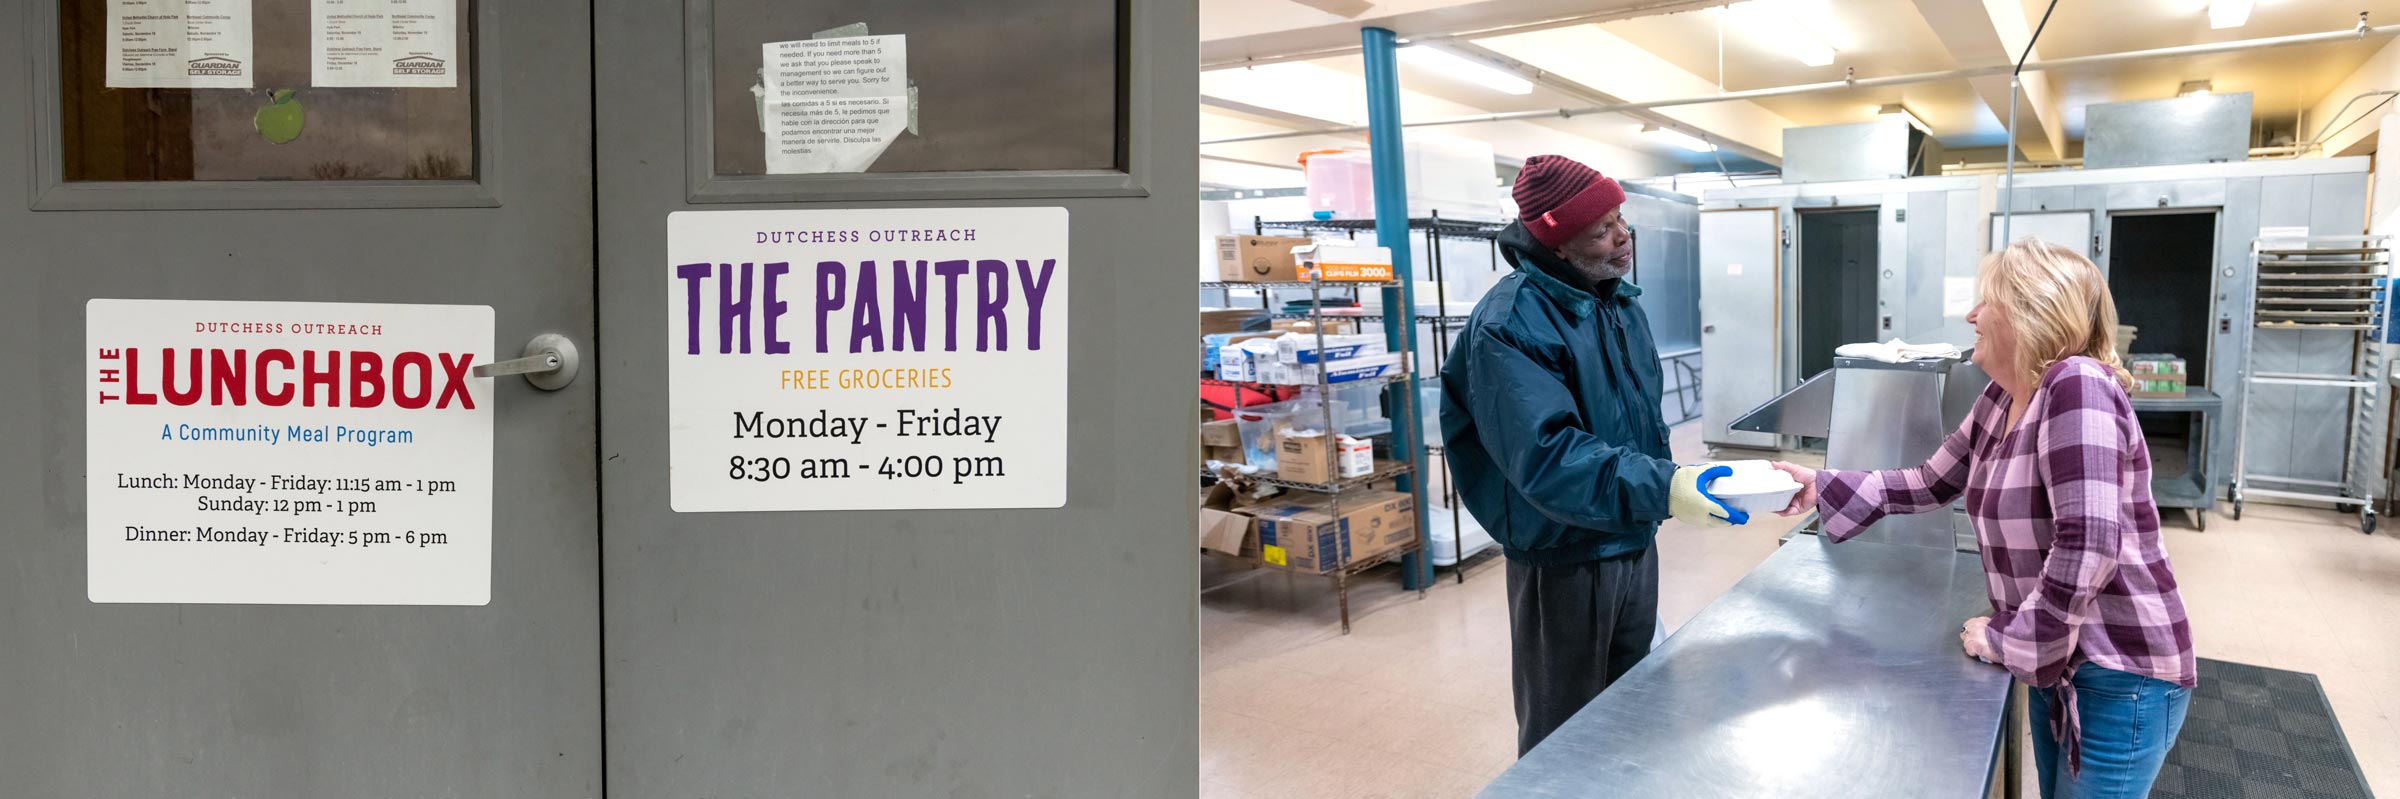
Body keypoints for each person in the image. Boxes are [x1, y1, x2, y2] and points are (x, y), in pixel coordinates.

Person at [1770, 238, 2195, 799]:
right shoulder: (2001, 398)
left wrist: (2009, 639)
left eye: (1986, 302)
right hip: (2062, 659)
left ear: (2031, 312)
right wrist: (1819, 486)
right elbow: (1928, 481)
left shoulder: (2077, 386)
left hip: (2116, 670)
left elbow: (2089, 542)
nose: (1971, 315)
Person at [1441, 154, 1747, 756]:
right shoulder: (1510, 324)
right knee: (1564, 732)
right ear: (1557, 244)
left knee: (1632, 707)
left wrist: (1658, 491)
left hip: (1630, 537)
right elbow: (1549, 457)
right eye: (1601, 229)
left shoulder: (1617, 304)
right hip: (1562, 555)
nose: (1622, 237)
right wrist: (1665, 486)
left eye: (1621, 220)